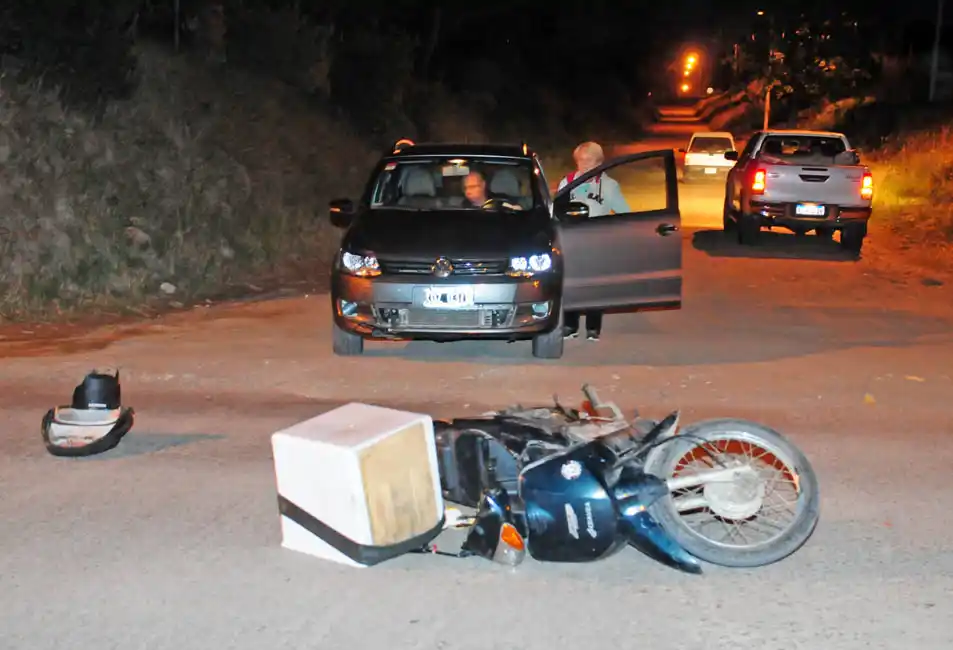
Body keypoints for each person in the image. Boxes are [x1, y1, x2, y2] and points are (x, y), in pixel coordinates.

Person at [556, 141, 631, 342]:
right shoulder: (567, 182)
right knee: (571, 283)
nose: (584, 165)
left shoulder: (609, 186)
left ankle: (593, 327)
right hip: (572, 240)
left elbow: (624, 213)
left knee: (595, 285)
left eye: (589, 161)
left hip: (597, 241)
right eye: (580, 161)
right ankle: (570, 325)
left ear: (599, 162)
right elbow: (556, 210)